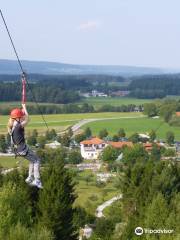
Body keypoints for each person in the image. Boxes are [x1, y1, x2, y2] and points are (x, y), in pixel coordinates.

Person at [7, 103, 43, 189]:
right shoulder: (19, 126)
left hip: (18, 150)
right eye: (21, 116)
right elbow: (28, 119)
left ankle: (30, 177)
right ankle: (37, 180)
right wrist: (24, 107)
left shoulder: (11, 127)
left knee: (32, 160)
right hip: (22, 149)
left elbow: (16, 118)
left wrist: (21, 112)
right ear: (18, 118)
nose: (23, 117)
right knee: (37, 160)